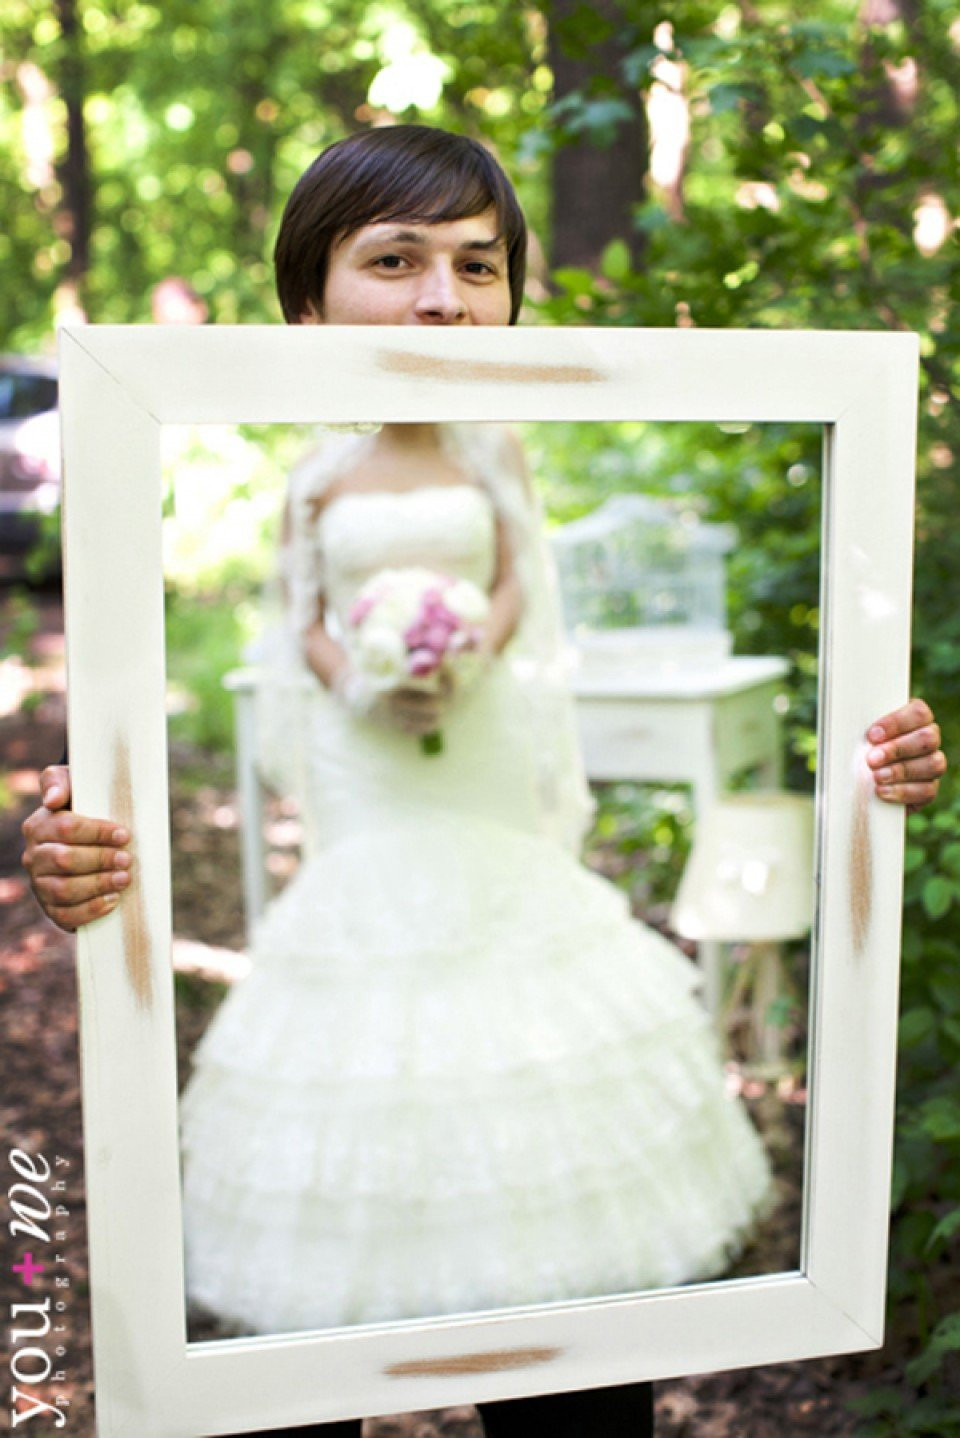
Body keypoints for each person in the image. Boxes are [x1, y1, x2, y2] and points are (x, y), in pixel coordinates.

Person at [21, 128, 947, 1438]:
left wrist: (867, 765)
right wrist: (364, 676)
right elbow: (300, 613)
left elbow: (519, 578)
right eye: (395, 261)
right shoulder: (313, 478)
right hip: (369, 772)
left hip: (486, 755)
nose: (444, 300)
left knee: (546, 1143)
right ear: (306, 306)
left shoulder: (498, 447)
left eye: (478, 264)